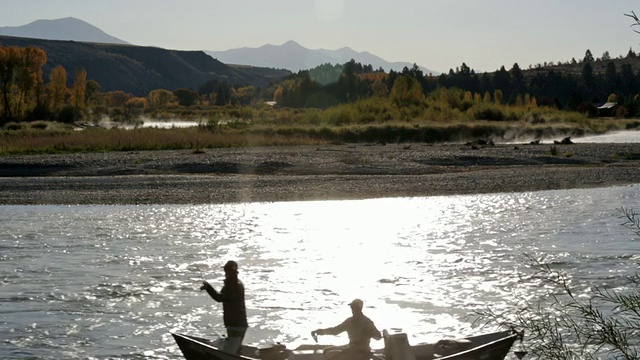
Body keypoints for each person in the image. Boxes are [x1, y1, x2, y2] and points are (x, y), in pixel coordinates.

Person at [200, 260, 248, 355]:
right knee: (236, 349)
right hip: (240, 323)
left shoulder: (232, 286)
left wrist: (208, 288)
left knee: (231, 351)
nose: (225, 274)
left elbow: (220, 298)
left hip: (235, 324)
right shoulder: (237, 284)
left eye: (226, 271)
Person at [311, 298, 382, 360]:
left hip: (362, 352)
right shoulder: (350, 321)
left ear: (358, 308)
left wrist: (371, 333)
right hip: (351, 348)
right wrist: (320, 332)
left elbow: (378, 337)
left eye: (353, 307)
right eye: (352, 307)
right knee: (327, 350)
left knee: (330, 355)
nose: (352, 309)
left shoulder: (367, 322)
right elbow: (335, 331)